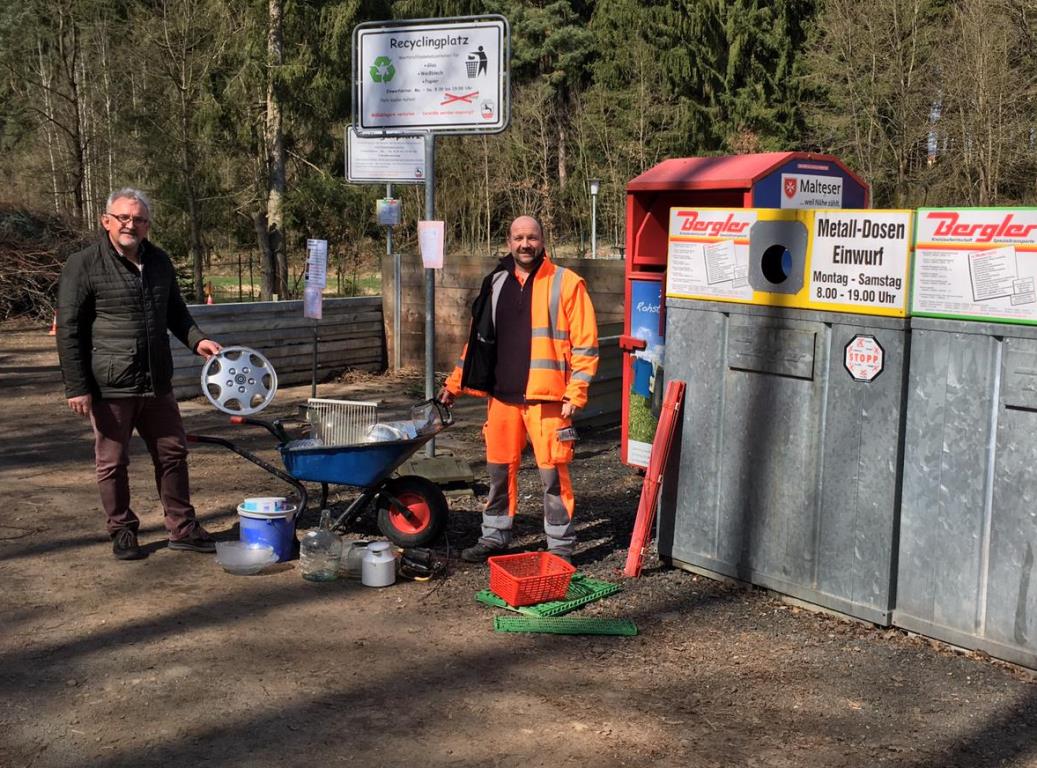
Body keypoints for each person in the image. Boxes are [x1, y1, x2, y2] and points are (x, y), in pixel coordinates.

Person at [57, 188, 222, 561]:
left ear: (147, 225)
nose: (131, 225)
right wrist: (78, 386)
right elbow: (69, 329)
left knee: (172, 454)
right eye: (124, 218)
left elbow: (176, 312)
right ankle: (122, 529)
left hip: (156, 381)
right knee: (112, 462)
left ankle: (182, 527)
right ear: (107, 221)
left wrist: (198, 341)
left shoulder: (159, 261)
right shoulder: (83, 264)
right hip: (109, 384)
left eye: (139, 219)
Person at [438, 215, 598, 564]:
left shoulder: (566, 283)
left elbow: (586, 346)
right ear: (508, 242)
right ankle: (494, 537)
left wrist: (576, 393)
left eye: (532, 237)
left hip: (549, 401)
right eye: (518, 237)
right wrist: (453, 385)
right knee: (497, 473)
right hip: (502, 400)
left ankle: (560, 547)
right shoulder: (494, 283)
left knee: (554, 475)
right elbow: (477, 345)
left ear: (543, 240)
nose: (525, 244)